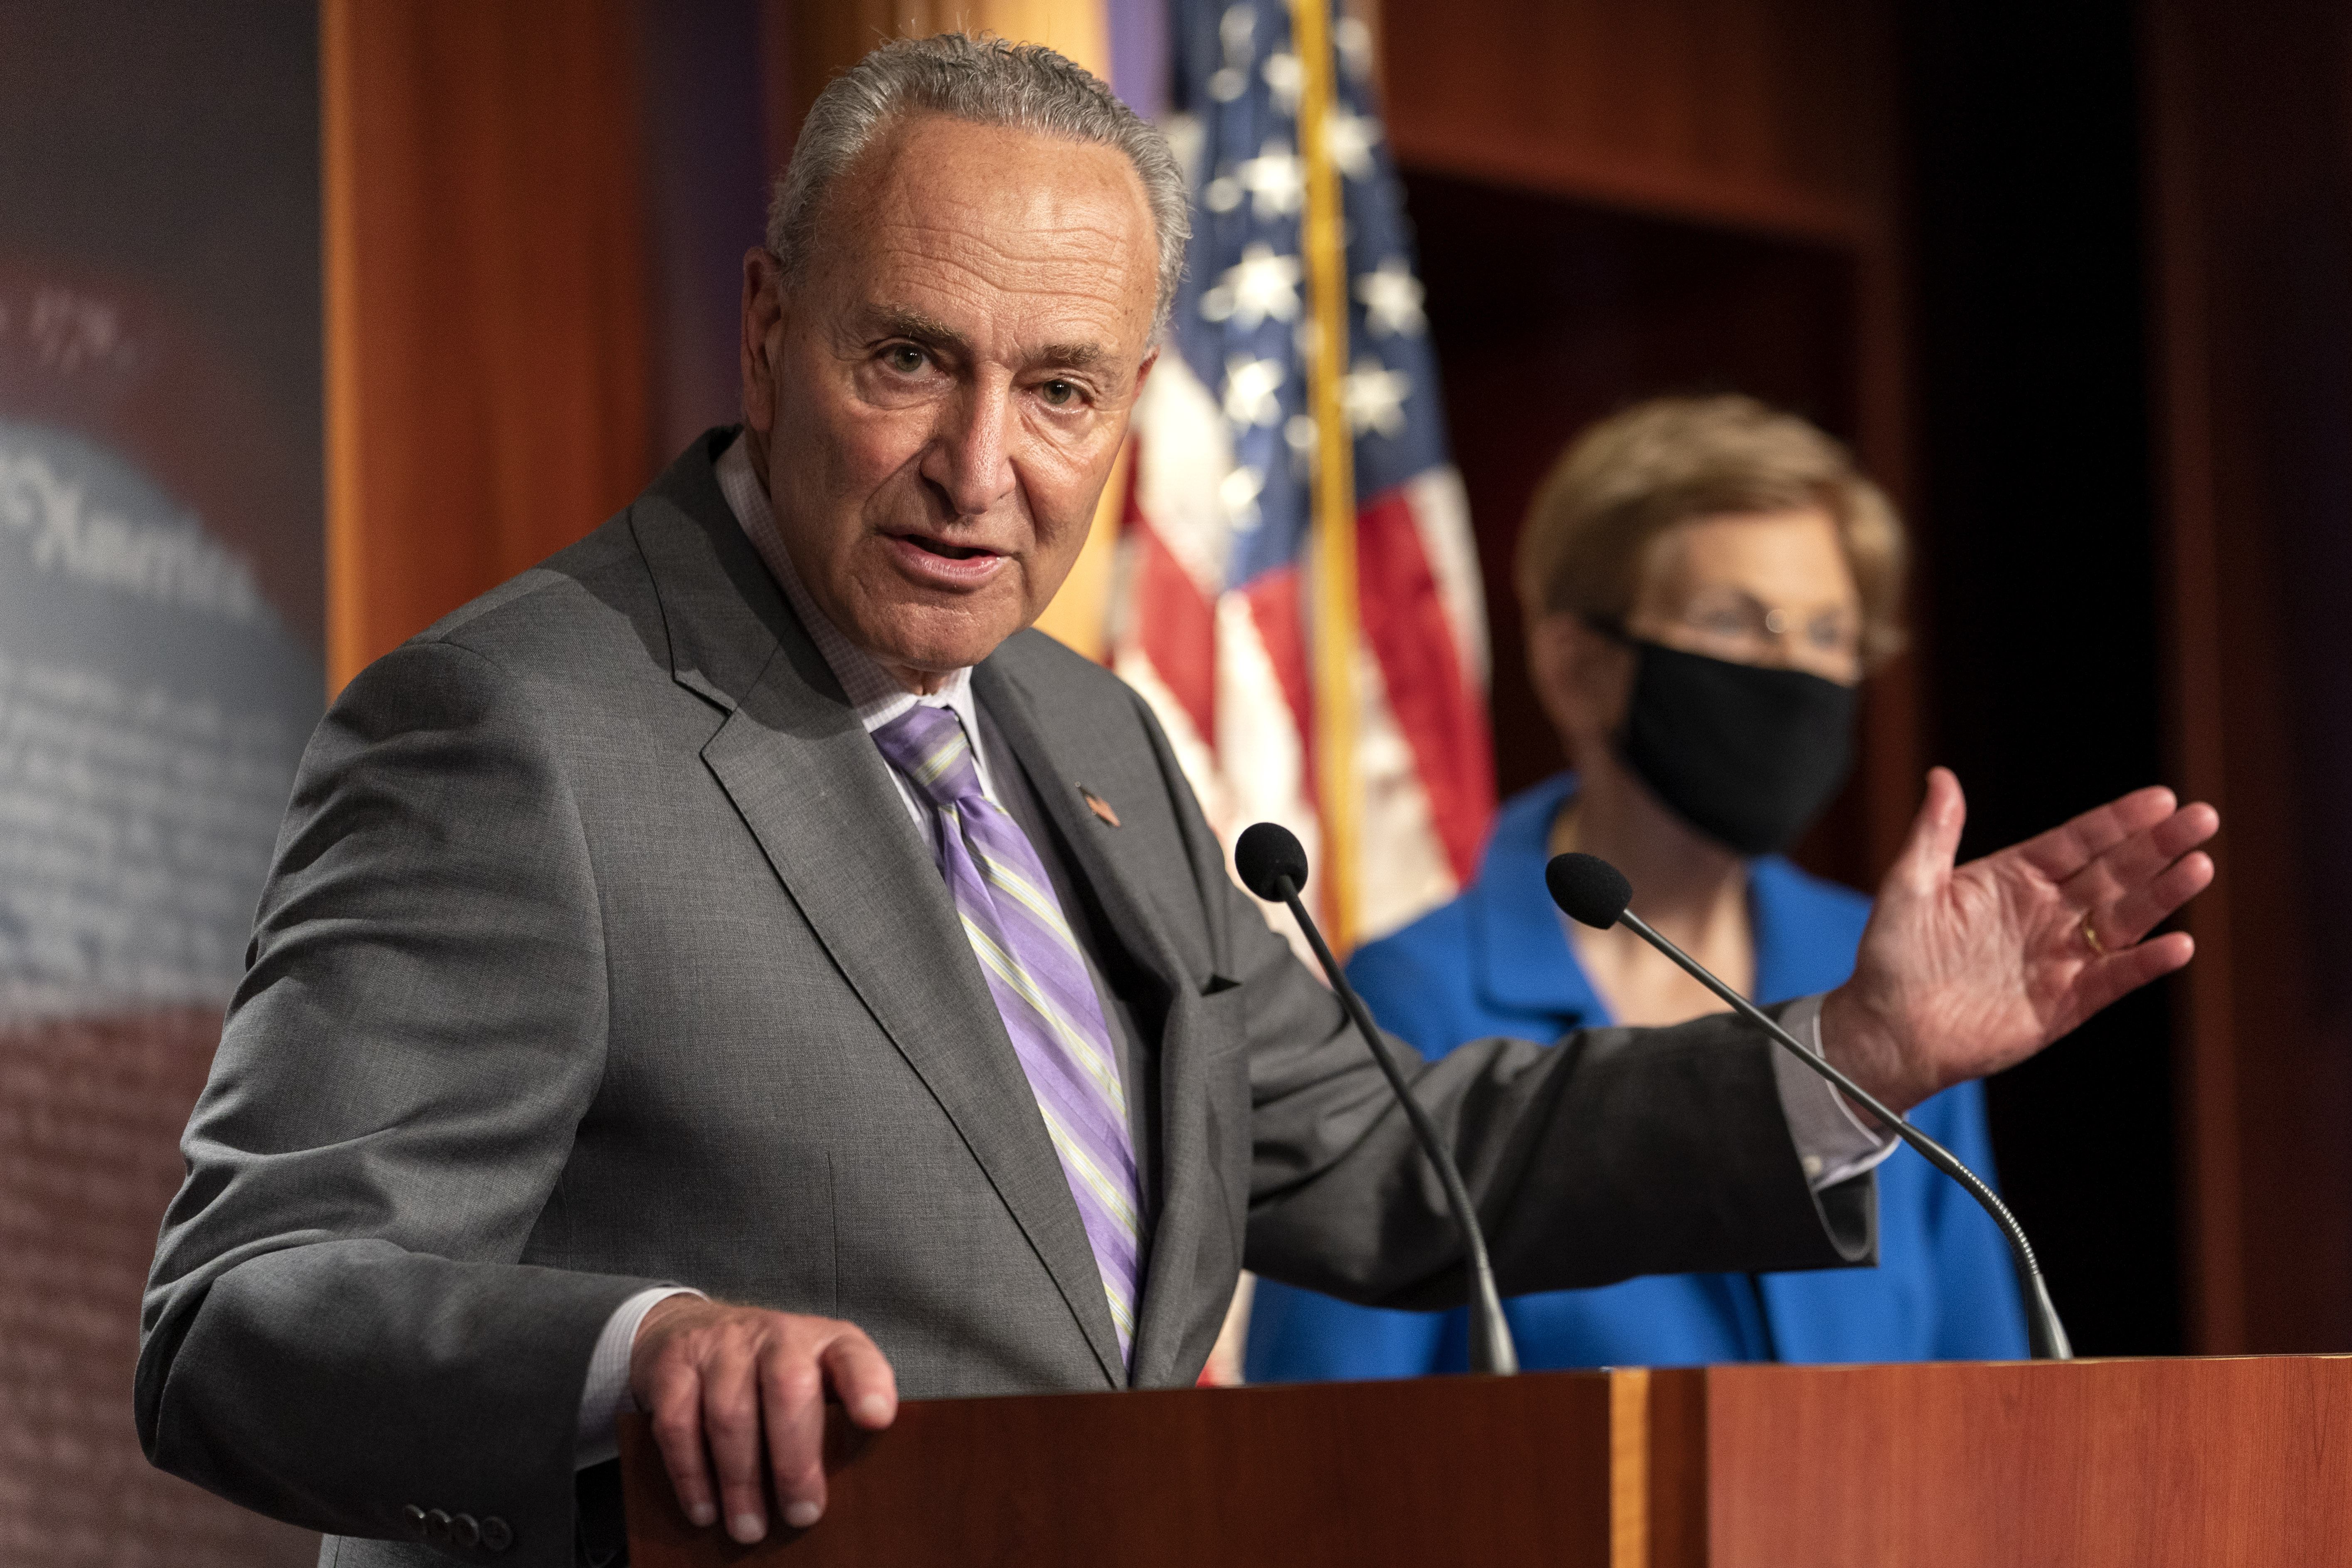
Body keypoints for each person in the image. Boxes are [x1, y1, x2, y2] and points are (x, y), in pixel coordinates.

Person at [134, 35, 2216, 1568]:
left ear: (1132, 402)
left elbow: (1405, 1157)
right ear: (768, 333)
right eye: (907, 361)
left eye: (1059, 390)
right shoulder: (513, 726)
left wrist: (1846, 1057)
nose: (982, 466)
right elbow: (241, 1311)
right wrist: (632, 1351)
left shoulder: (1094, 735)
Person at [1247, 396, 2026, 1381]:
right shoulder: (1420, 995)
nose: (1793, 669)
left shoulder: (1874, 972)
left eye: (1829, 631)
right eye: (1732, 622)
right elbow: (1328, 1442)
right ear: (1578, 667)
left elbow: (1988, 1393)